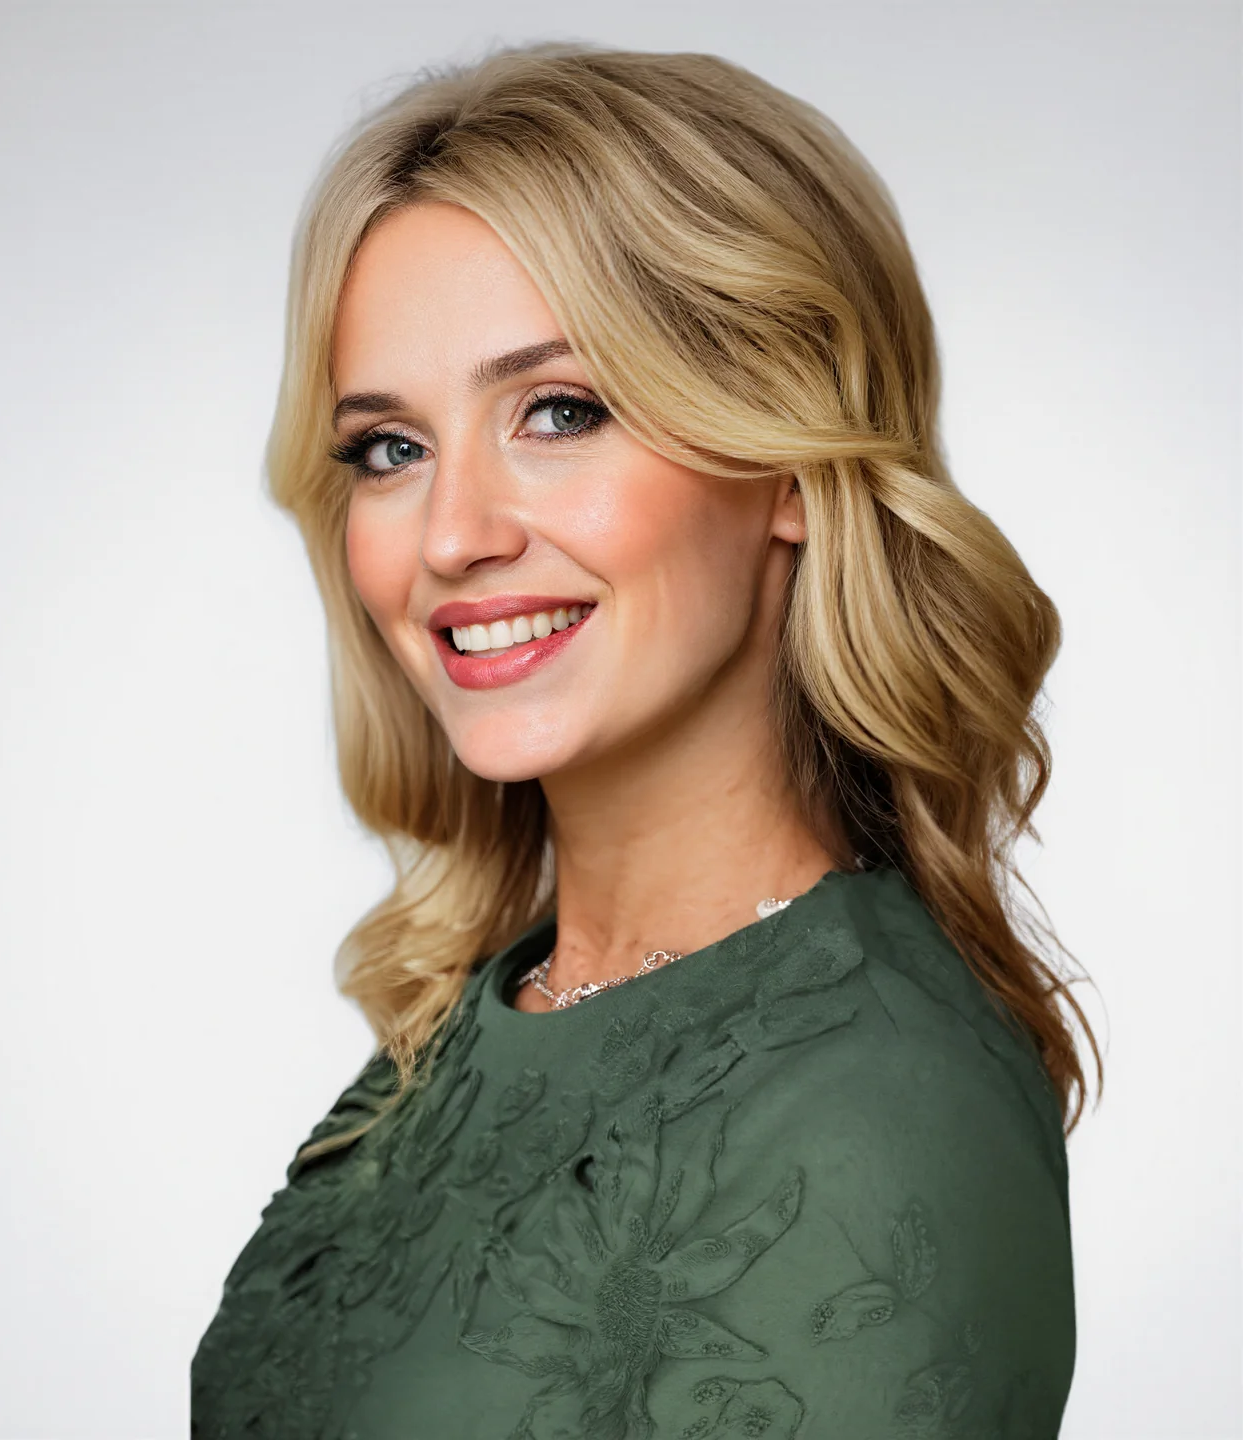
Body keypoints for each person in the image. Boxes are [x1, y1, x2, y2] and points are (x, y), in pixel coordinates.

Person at [191, 42, 1102, 1440]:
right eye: (389, 448)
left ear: (790, 458)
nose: (452, 537)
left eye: (560, 412)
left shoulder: (873, 1107)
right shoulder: (471, 1022)